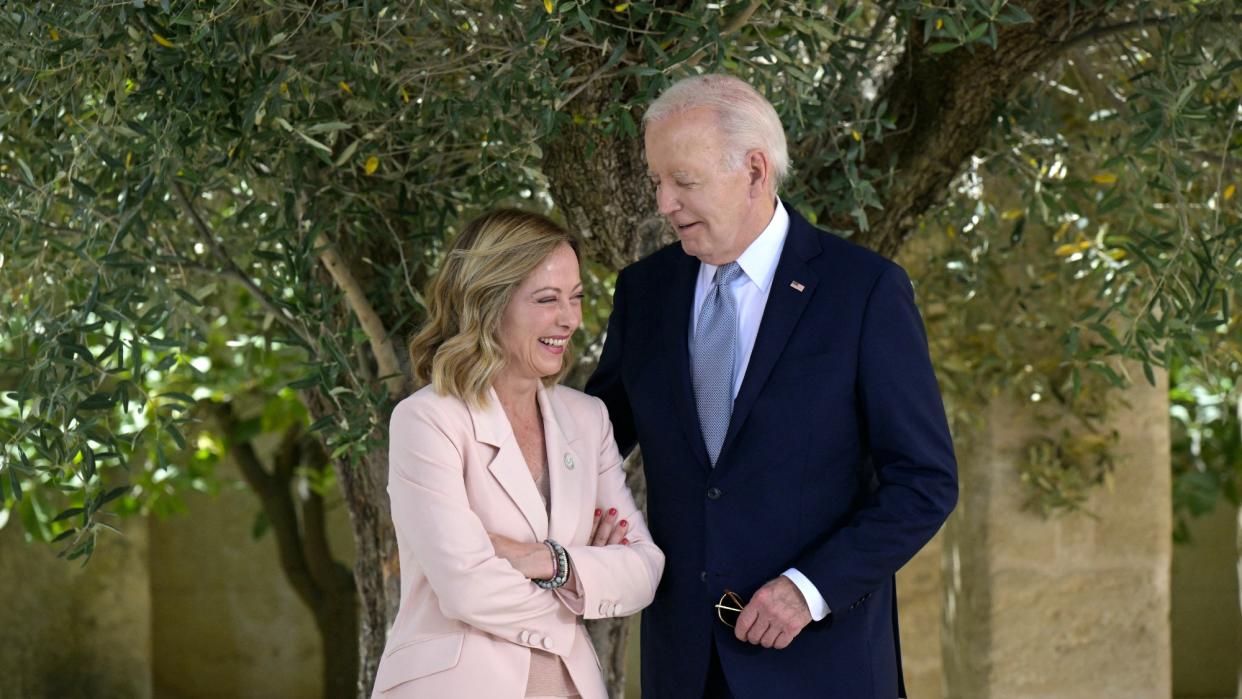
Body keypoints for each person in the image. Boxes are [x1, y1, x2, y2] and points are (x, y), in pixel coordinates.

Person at [585, 74, 958, 698]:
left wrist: (809, 590)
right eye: (657, 181)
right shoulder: (644, 292)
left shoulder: (863, 292)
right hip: (682, 666)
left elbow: (924, 482)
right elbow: (596, 438)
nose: (664, 203)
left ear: (756, 171)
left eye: (684, 181)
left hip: (821, 663)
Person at [374, 209, 664, 698]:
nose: (569, 319)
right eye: (547, 299)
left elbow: (644, 571)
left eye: (575, 298)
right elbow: (466, 588)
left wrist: (547, 562)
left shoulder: (586, 417)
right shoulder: (427, 421)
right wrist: (586, 581)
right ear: (488, 305)